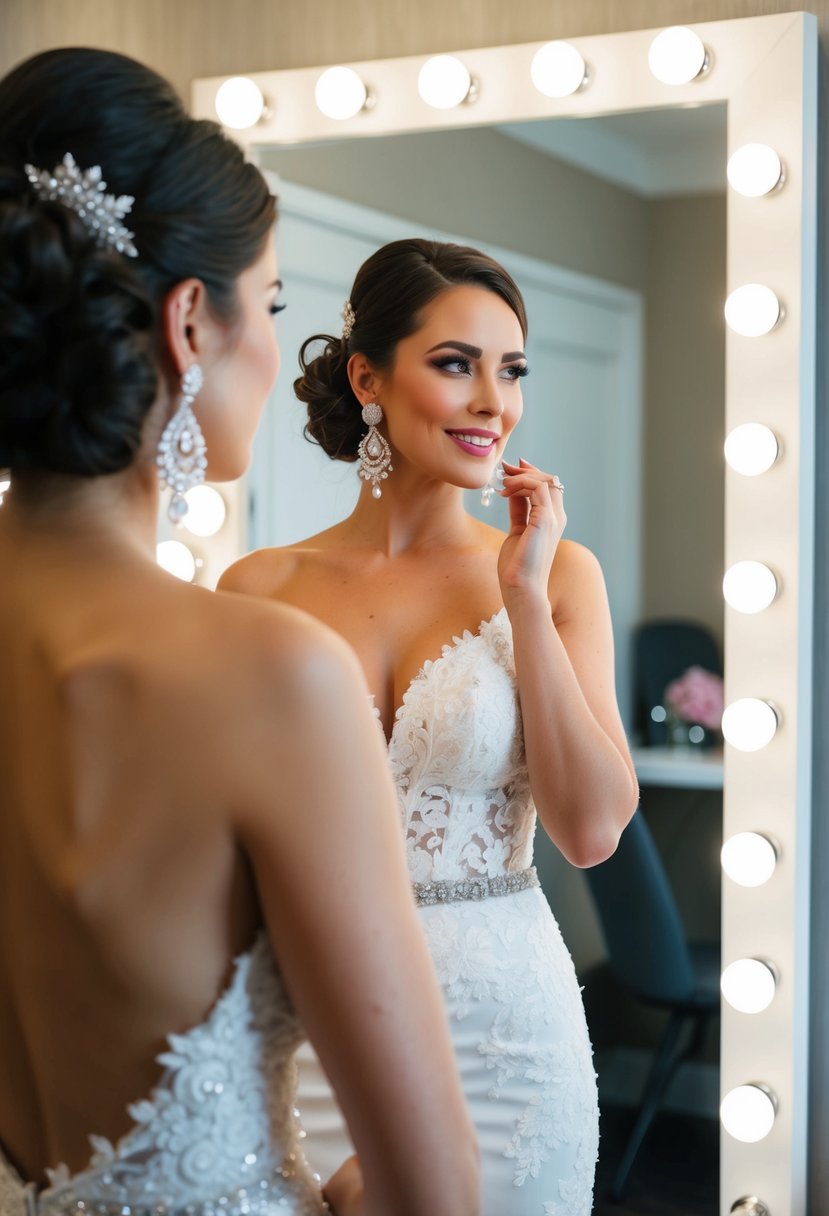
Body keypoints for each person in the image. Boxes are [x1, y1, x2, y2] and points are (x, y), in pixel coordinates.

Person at [0, 53, 479, 1216]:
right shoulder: (268, 671)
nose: (275, 347)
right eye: (268, 304)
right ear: (186, 325)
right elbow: (433, 1198)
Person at [220, 238, 640, 1215]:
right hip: (305, 1032)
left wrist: (524, 601)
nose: (494, 399)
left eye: (512, 369)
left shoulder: (556, 576)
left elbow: (589, 829)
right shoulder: (256, 587)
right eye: (457, 364)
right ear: (368, 376)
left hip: (503, 1046)